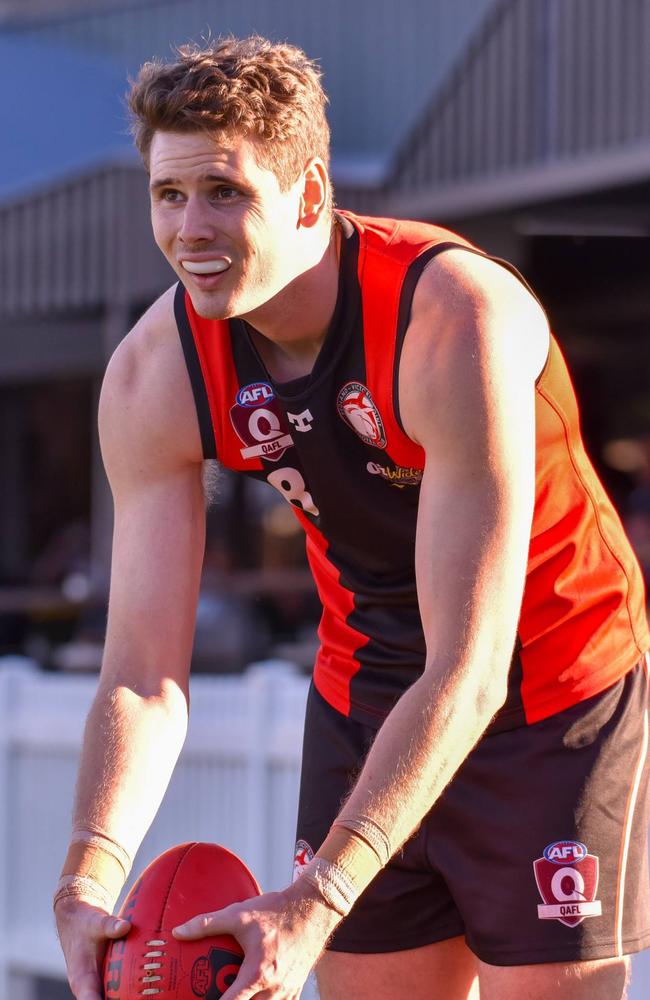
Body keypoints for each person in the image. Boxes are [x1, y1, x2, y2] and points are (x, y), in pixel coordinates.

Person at [54, 36, 650, 1000]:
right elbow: (143, 674)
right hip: (368, 684)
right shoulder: (153, 372)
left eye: (225, 192)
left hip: (548, 686)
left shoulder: (451, 318)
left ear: (309, 190)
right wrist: (86, 882)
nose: (190, 230)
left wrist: (316, 896)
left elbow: (472, 670)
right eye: (169, 195)